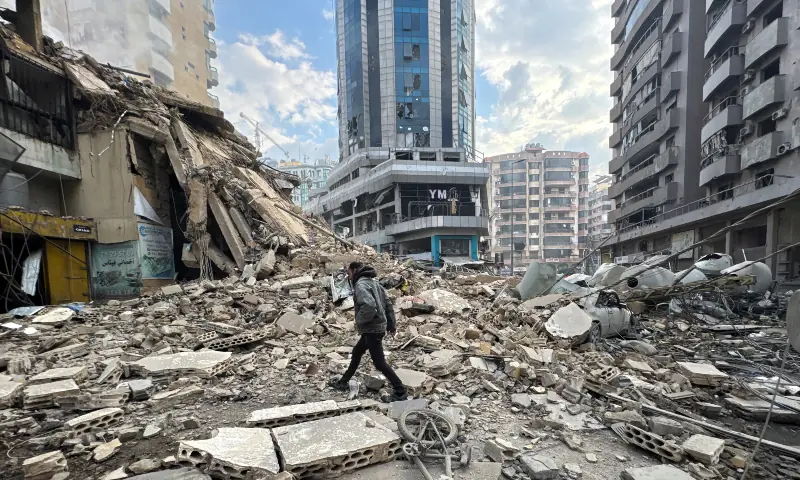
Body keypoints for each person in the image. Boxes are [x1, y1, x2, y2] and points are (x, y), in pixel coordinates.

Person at [329, 262, 408, 402]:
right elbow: (388, 303)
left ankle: (400, 392)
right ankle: (343, 382)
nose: (348, 276)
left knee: (379, 363)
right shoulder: (374, 282)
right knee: (357, 351)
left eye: (349, 273)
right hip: (375, 328)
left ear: (354, 271)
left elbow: (369, 306)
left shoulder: (361, 285)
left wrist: (359, 321)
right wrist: (391, 324)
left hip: (372, 329)